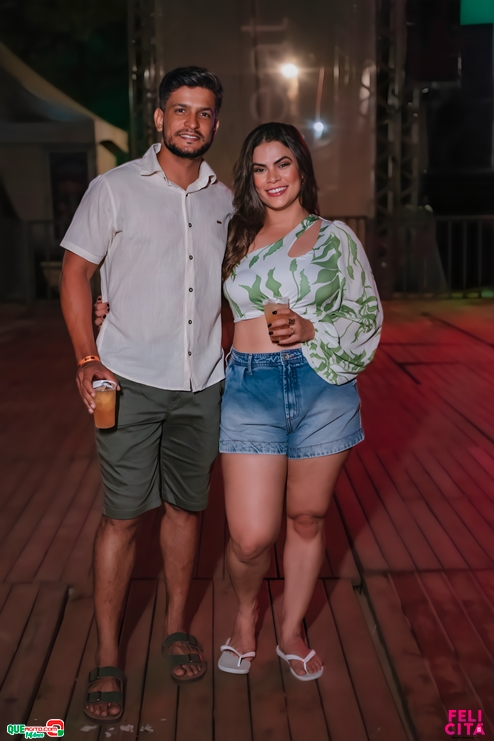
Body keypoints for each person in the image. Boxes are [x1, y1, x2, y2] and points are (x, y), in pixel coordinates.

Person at [60, 66, 232, 723]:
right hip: (127, 380)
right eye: (180, 109)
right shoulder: (114, 189)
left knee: (187, 510)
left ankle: (176, 627)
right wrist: (87, 355)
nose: (192, 122)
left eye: (204, 112)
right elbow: (75, 272)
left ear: (216, 123)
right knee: (123, 516)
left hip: (203, 382)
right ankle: (108, 654)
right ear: (159, 118)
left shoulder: (225, 200)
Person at [217, 122, 382, 679]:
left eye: (282, 163)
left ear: (302, 169)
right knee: (250, 536)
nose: (272, 178)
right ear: (250, 178)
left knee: (307, 517)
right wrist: (110, 311)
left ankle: (290, 629)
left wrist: (312, 329)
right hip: (251, 387)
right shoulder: (236, 235)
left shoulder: (337, 238)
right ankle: (246, 616)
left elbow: (366, 314)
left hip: (321, 387)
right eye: (259, 168)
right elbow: (180, 288)